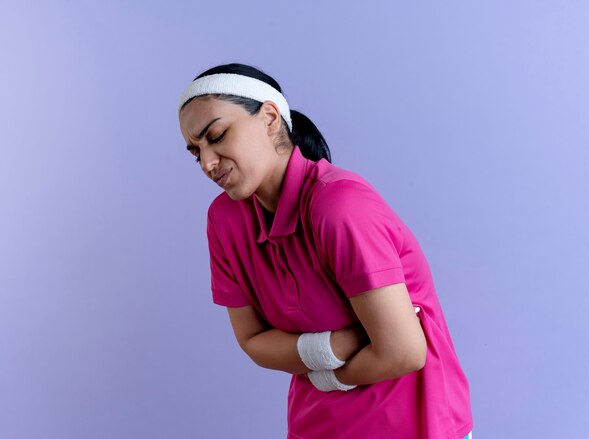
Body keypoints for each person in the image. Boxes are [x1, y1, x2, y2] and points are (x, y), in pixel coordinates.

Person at [177, 62, 474, 439]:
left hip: (415, 425)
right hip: (317, 425)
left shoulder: (339, 205)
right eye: (195, 151)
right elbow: (253, 341)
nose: (207, 162)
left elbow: (403, 351)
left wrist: (328, 374)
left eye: (216, 136)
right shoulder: (225, 221)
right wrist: (338, 345)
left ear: (270, 118)